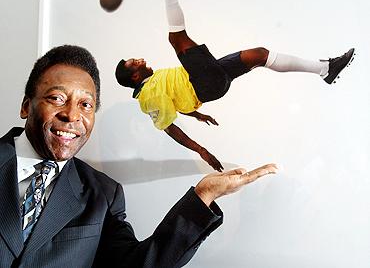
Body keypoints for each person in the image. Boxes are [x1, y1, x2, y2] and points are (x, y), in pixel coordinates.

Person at [0, 44, 277, 268]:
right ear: (26, 106)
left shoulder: (103, 195)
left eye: (86, 104)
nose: (72, 115)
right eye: (57, 98)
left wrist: (204, 195)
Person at [115, 0, 355, 172]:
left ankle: (325, 69)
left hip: (209, 79)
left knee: (259, 54)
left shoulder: (155, 84)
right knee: (177, 39)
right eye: (133, 63)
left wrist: (198, 115)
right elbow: (169, 126)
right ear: (135, 77)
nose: (138, 59)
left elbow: (174, 106)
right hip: (204, 83)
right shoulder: (147, 97)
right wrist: (202, 150)